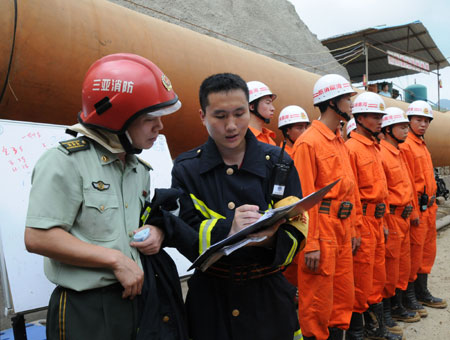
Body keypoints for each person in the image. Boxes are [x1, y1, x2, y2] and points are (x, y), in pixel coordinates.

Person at [24, 53, 184, 340]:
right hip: (84, 310)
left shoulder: (138, 169)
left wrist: (157, 231)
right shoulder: (65, 162)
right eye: (150, 119)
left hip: (134, 299)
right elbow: (39, 237)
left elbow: (132, 225)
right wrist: (116, 260)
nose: (159, 128)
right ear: (117, 119)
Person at [171, 73, 308, 340]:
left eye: (239, 113)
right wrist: (228, 229)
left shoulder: (278, 163)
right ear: (202, 116)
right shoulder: (187, 169)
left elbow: (298, 227)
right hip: (211, 302)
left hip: (269, 299)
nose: (231, 126)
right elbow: (183, 233)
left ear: (249, 110)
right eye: (220, 116)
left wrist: (269, 241)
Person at [292, 74, 360, 340]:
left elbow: (350, 191)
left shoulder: (338, 140)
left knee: (342, 298)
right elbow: (304, 199)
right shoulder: (308, 143)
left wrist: (354, 228)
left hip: (341, 229)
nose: (351, 104)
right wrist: (311, 244)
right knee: (317, 302)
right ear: (332, 102)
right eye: (347, 99)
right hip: (321, 231)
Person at [345, 92, 402, 340]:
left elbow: (384, 190)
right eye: (375, 116)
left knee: (377, 275)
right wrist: (356, 228)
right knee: (361, 278)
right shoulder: (351, 149)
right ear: (359, 117)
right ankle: (358, 332)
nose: (381, 121)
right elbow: (351, 193)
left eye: (381, 116)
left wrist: (386, 221)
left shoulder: (375, 148)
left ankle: (375, 328)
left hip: (378, 221)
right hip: (363, 221)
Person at [399, 100, 447, 314]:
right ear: (409, 121)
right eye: (419, 120)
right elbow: (407, 181)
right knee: (413, 253)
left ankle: (422, 291)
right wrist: (414, 210)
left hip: (429, 207)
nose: (423, 124)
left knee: (427, 252)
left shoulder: (420, 144)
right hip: (417, 209)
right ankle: (410, 296)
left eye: (426, 121)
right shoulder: (406, 145)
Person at [379, 108, 421, 338]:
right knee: (389, 266)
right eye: (402, 126)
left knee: (402, 265)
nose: (407, 130)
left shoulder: (399, 152)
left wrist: (413, 209)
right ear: (388, 129)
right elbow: (382, 193)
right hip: (391, 217)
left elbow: (409, 186)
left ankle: (397, 305)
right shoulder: (383, 154)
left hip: (404, 216)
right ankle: (387, 312)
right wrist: (385, 222)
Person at [277, 105, 310, 290]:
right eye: (299, 128)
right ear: (287, 131)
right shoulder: (280, 157)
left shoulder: (306, 150)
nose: (304, 132)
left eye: (306, 127)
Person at [247, 80, 277, 145]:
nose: (273, 109)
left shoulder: (269, 140)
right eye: (268, 103)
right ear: (252, 107)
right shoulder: (244, 139)